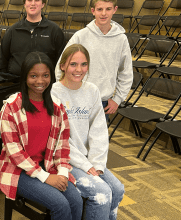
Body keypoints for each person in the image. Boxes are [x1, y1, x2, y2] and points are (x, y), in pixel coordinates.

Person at [0, 51, 83, 220]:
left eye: (45, 75)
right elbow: (15, 153)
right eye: (33, 76)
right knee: (60, 205)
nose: (40, 81)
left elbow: (62, 146)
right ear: (25, 77)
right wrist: (46, 177)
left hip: (47, 164)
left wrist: (62, 173)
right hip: (18, 171)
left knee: (76, 200)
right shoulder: (11, 107)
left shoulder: (57, 107)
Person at [51, 44, 125, 220]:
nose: (79, 70)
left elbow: (98, 130)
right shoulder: (54, 92)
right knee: (101, 194)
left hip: (89, 159)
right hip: (65, 159)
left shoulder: (92, 90)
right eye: (73, 64)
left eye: (84, 64)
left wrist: (97, 164)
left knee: (117, 189)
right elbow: (59, 140)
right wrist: (86, 166)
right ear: (62, 66)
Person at [54, 0, 133, 122]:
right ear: (93, 11)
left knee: (97, 140)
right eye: (99, 9)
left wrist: (117, 99)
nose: (103, 13)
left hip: (103, 102)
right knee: (71, 139)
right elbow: (62, 66)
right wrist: (64, 94)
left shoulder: (121, 39)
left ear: (115, 10)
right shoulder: (81, 36)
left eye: (108, 9)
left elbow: (126, 72)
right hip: (76, 99)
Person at [0, 0, 66, 77]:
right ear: (24, 4)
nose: (33, 3)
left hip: (45, 84)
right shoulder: (13, 31)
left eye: (36, 0)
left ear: (43, 4)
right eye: (29, 0)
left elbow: (62, 62)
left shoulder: (54, 30)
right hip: (16, 83)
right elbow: (2, 62)